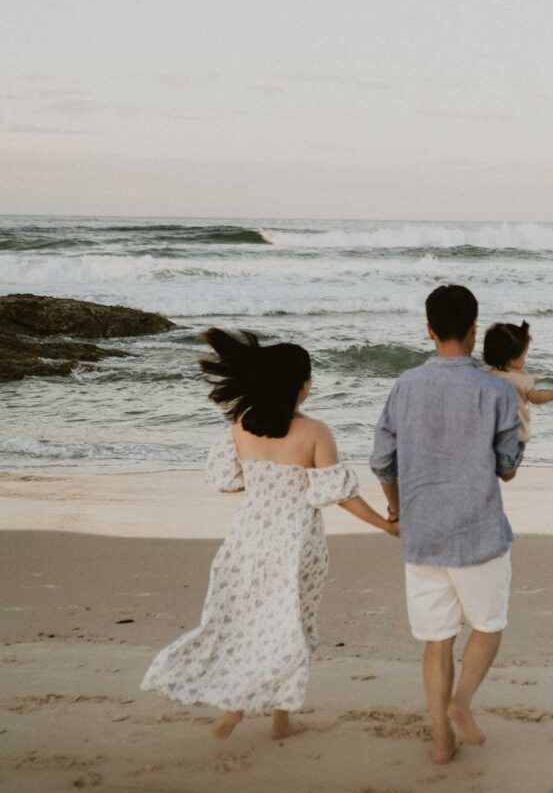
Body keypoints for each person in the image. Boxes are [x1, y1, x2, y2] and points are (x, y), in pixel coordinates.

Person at [141, 328, 398, 742]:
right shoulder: (315, 432)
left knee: (244, 623)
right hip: (296, 543)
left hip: (247, 538)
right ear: (301, 385)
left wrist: (267, 485)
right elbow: (339, 495)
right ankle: (279, 720)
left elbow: (226, 480)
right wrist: (386, 524)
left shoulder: (241, 425)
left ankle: (236, 709)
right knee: (291, 626)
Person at [370, 285, 523, 764]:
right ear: (475, 330)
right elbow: (507, 467)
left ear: (429, 331)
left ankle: (440, 739)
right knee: (489, 625)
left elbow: (382, 461)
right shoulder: (496, 390)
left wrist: (395, 509)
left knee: (438, 639)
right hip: (478, 531)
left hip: (424, 532)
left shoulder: (405, 385)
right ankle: (462, 702)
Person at [482, 320, 553, 444]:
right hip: (515, 436)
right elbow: (536, 398)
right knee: (506, 461)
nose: (524, 360)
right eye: (524, 355)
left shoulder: (487, 376)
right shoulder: (523, 378)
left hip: (491, 434)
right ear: (512, 357)